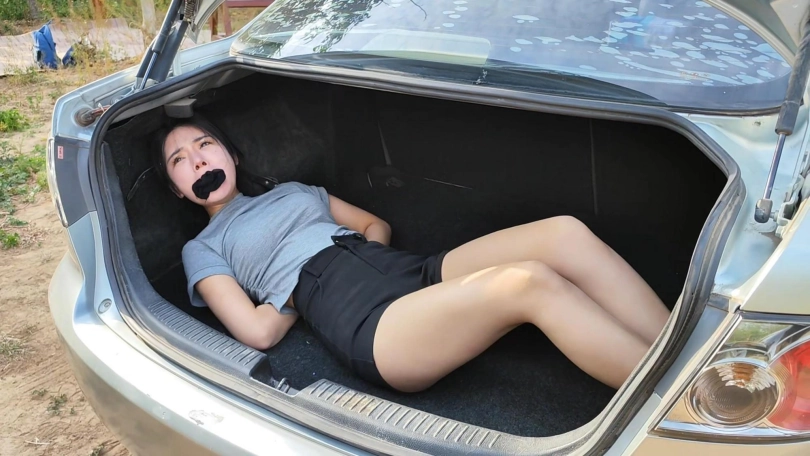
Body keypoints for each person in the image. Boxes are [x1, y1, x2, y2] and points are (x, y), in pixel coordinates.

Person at [154, 114, 671, 393]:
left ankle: (678, 355)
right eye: (180, 159)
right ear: (178, 188)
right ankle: (686, 405)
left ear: (231, 154)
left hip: (404, 271)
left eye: (205, 145)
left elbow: (374, 224)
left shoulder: (294, 191)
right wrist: (295, 290)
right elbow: (257, 332)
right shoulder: (203, 248)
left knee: (563, 233)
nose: (197, 160)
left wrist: (364, 252)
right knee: (529, 282)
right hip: (367, 322)